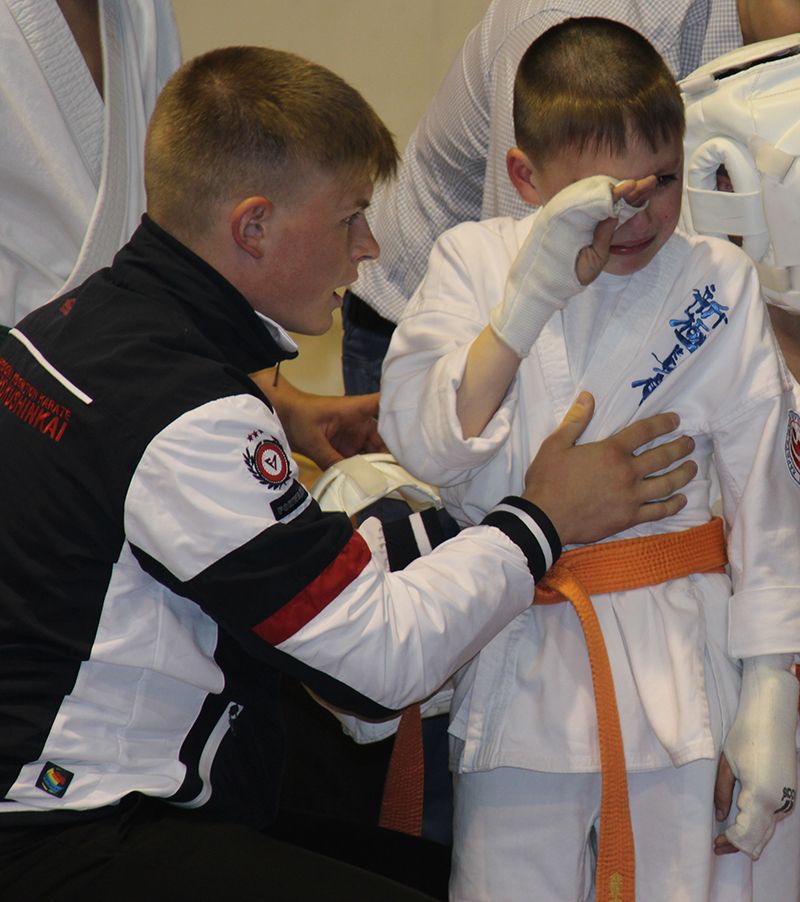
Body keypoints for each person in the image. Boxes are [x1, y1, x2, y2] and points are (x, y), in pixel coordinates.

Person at [0, 44, 699, 901]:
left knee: (421, 867)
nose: (369, 247)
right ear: (254, 226)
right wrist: (540, 520)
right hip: (66, 833)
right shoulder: (191, 420)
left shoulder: (72, 322)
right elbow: (376, 667)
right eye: (351, 217)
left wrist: (285, 413)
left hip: (60, 780)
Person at [379, 18, 800, 901]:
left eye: (664, 183)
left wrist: (771, 689)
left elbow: (767, 497)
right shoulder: (474, 262)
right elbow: (426, 442)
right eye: (607, 194)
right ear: (524, 177)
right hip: (523, 650)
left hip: (686, 668)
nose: (638, 216)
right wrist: (528, 300)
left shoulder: (717, 279)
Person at [343, 0, 800, 395]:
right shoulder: (570, 23)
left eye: (664, 178)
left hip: (634, 307)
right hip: (450, 336)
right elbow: (549, 275)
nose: (636, 207)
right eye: (612, 187)